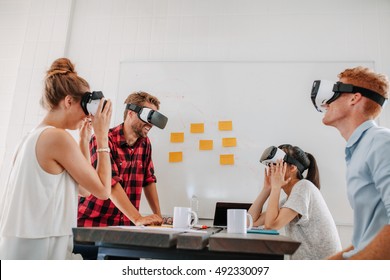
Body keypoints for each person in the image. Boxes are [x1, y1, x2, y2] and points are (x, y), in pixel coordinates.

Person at [0, 57, 112, 259]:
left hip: (22, 251)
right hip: (40, 253)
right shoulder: (57, 137)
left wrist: (84, 140)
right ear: (68, 101)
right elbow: (103, 190)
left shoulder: (33, 136)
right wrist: (103, 137)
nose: (87, 115)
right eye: (84, 107)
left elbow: (85, 189)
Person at [318, 66, 390, 259]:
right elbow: (364, 240)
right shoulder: (358, 149)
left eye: (335, 92)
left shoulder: (381, 142)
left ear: (354, 98)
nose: (326, 103)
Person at [78, 91, 163, 227]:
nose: (151, 124)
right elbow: (110, 182)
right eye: (148, 117)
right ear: (131, 113)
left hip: (124, 225)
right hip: (94, 222)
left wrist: (159, 217)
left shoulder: (145, 144)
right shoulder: (103, 139)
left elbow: (149, 179)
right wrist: (137, 218)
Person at [248, 144, 341, 260]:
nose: (272, 168)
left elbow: (271, 226)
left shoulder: (303, 187)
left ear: (293, 168)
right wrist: (266, 189)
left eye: (277, 164)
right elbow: (250, 222)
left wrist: (276, 188)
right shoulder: (289, 201)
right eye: (270, 165)